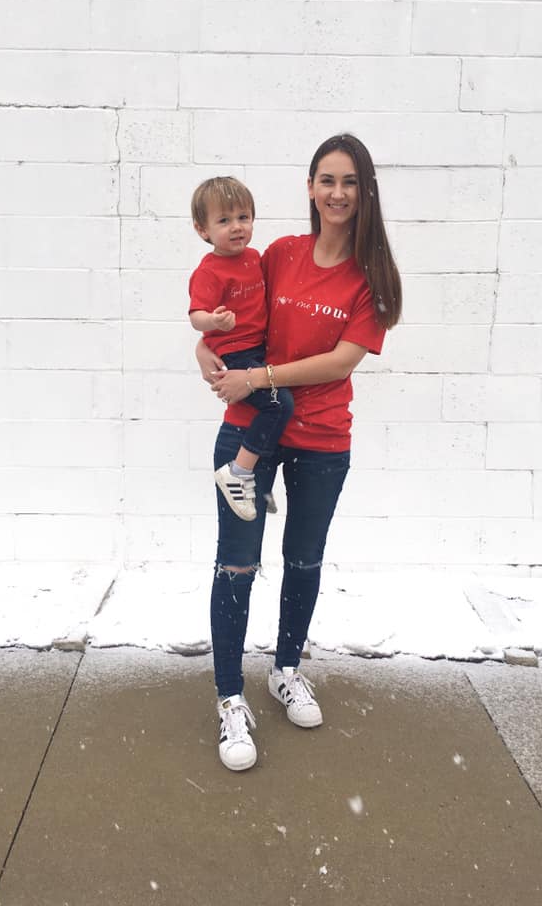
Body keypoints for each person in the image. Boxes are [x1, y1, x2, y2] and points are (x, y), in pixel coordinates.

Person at [195, 134, 402, 771]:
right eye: (326, 180)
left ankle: (286, 669)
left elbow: (342, 360)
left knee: (304, 562)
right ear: (310, 188)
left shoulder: (371, 280)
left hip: (321, 440)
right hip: (248, 434)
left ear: (364, 191)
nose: (337, 193)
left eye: (349, 181)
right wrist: (207, 352)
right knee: (236, 565)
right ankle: (230, 697)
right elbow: (230, 316)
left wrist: (259, 378)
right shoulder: (278, 254)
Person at [189, 176, 294, 521]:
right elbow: (196, 316)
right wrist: (212, 325)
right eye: (224, 220)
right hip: (236, 355)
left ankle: (253, 478)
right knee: (279, 404)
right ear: (202, 230)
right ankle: (238, 471)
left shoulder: (254, 258)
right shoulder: (209, 271)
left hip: (257, 350)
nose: (236, 227)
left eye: (243, 218)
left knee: (272, 409)